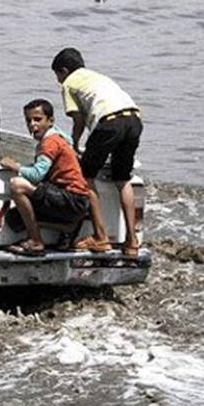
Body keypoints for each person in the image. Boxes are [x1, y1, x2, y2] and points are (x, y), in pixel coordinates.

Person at [52, 47, 143, 256]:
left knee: (85, 176)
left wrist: (74, 142)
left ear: (64, 71)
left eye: (57, 75)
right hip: (134, 119)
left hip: (109, 123)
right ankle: (131, 242)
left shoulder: (69, 83)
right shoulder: (97, 77)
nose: (58, 80)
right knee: (122, 179)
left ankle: (101, 237)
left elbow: (78, 119)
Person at [0, 99, 91, 256]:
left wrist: (16, 167)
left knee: (17, 185)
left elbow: (37, 174)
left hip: (71, 200)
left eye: (38, 119)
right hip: (76, 201)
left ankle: (36, 241)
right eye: (28, 121)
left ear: (50, 121)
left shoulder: (50, 142)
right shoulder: (59, 136)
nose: (32, 125)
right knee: (14, 219)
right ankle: (67, 227)